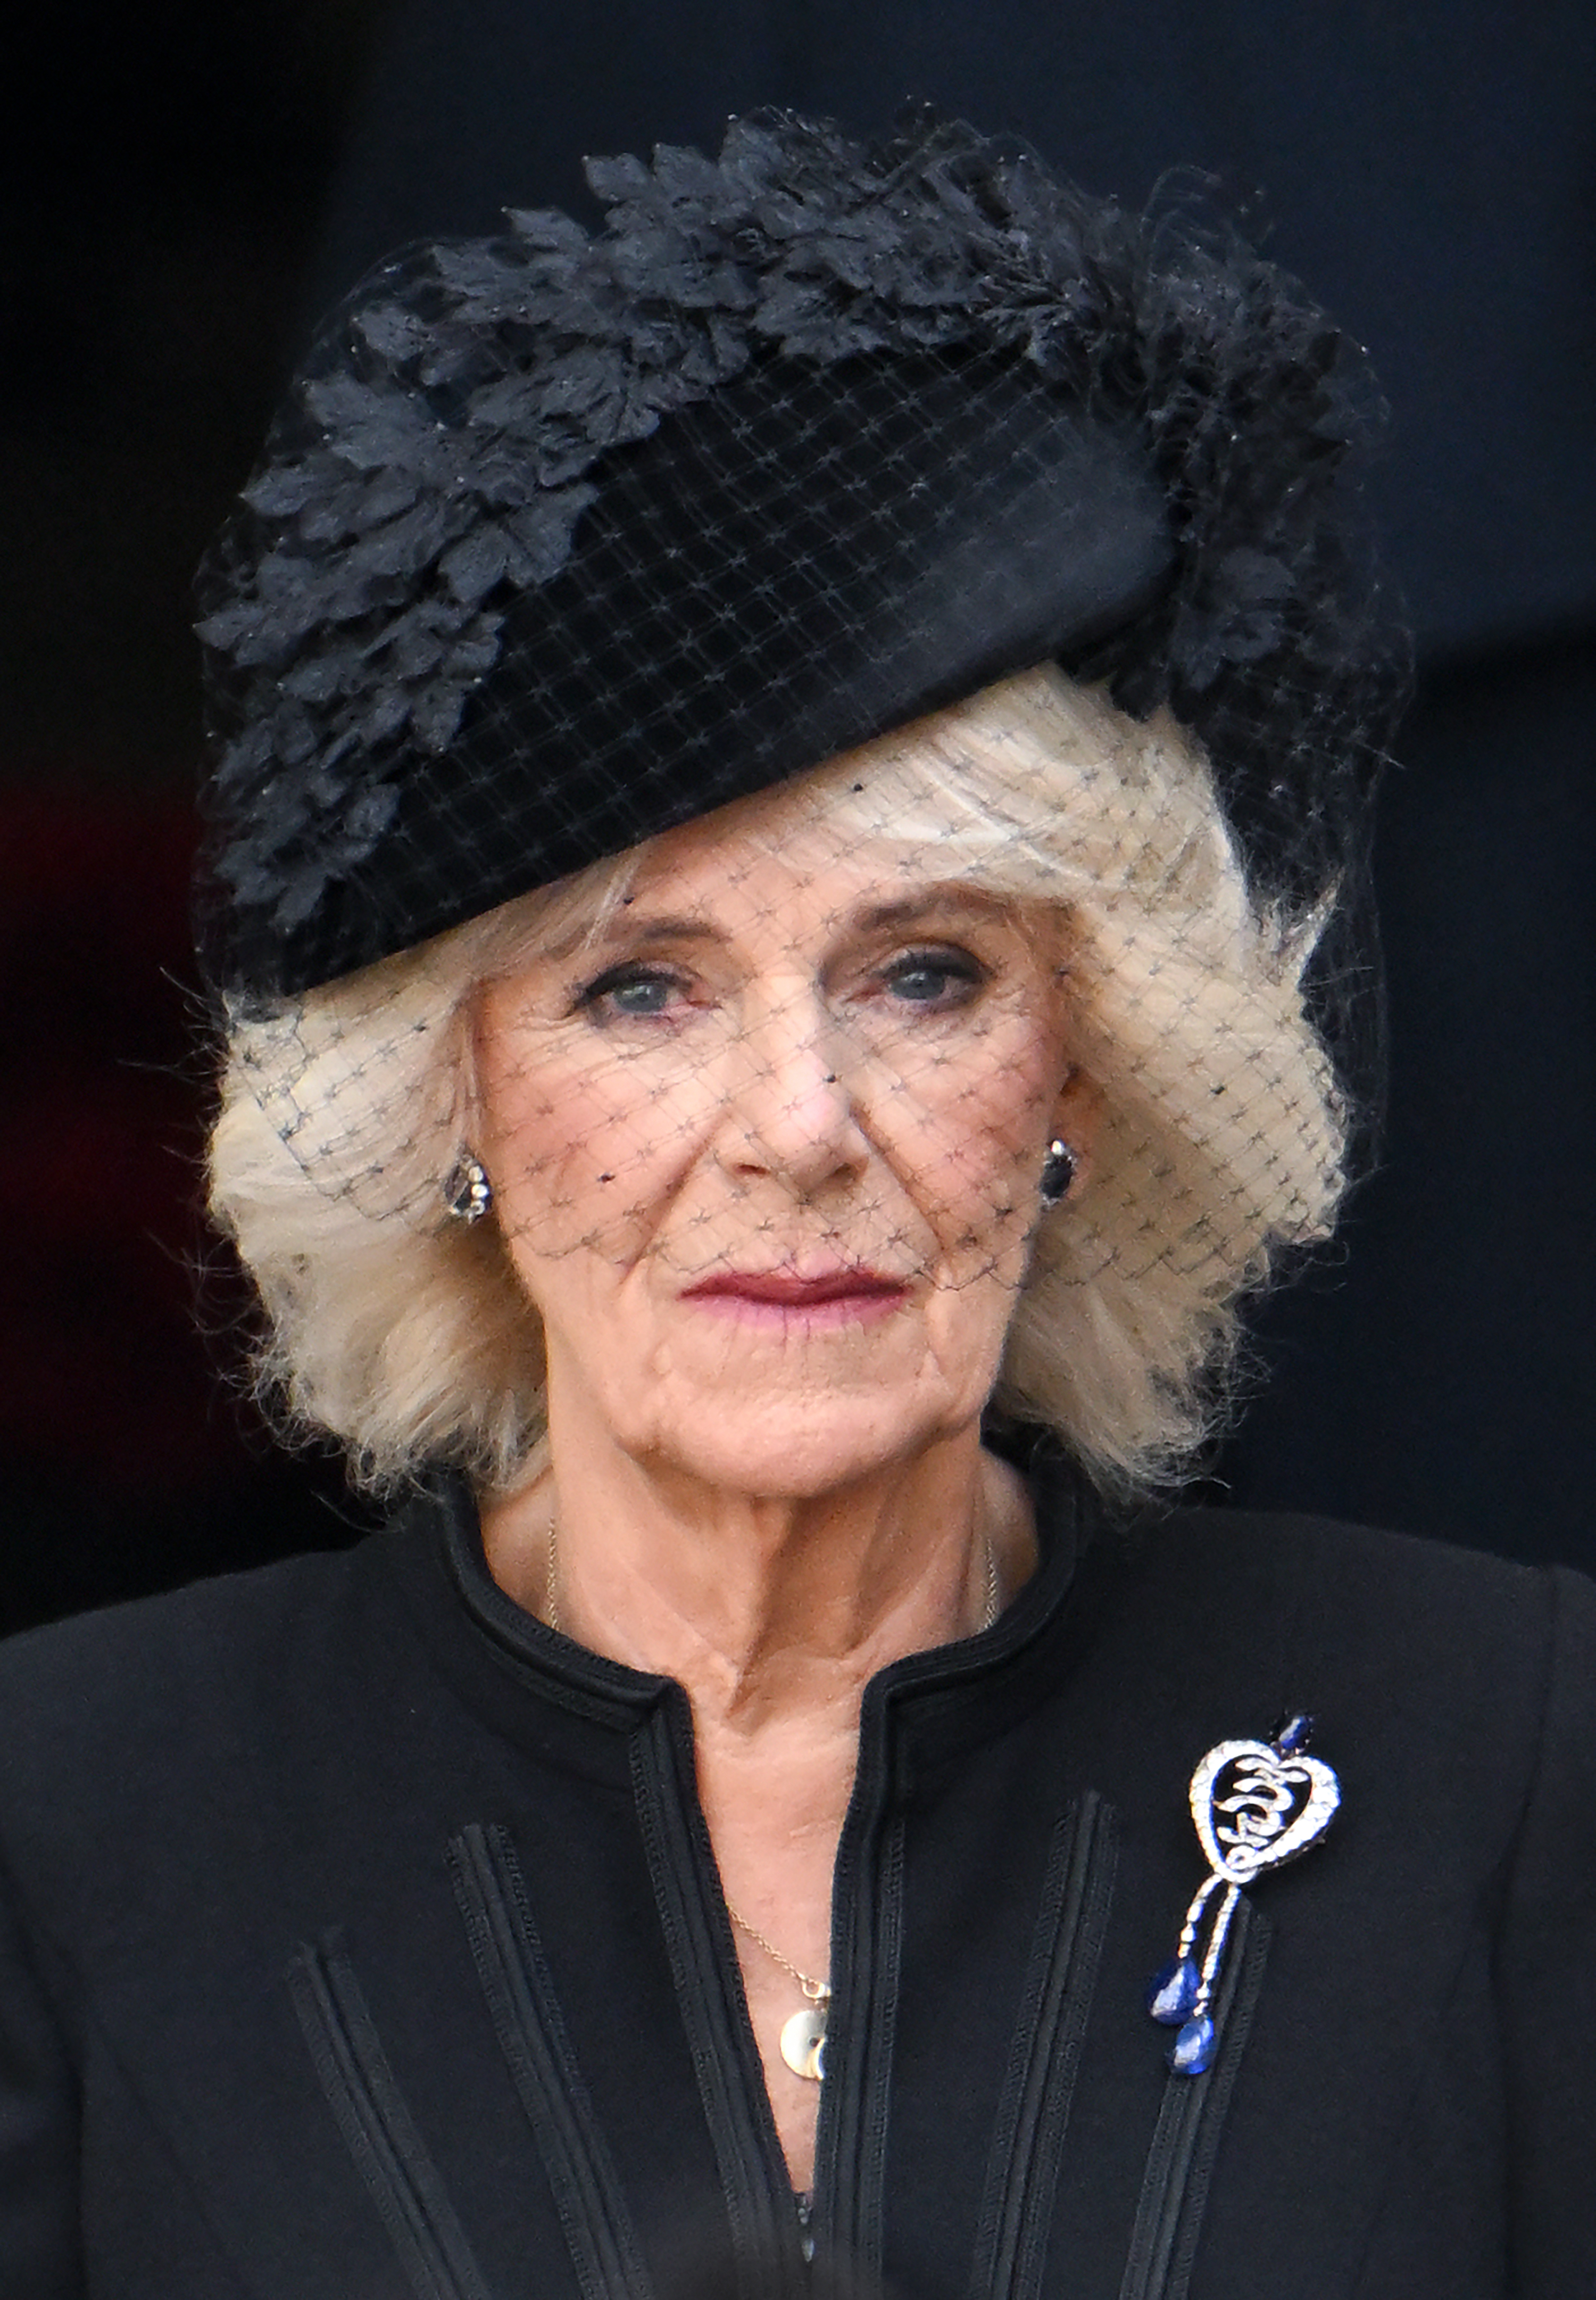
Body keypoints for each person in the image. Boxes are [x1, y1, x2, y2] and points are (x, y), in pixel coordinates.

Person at [1, 111, 1591, 2299]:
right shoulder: (71, 1816)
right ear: (444, 1096)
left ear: (1085, 1078)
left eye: (922, 975)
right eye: (639, 989)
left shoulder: (1496, 1742)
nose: (797, 1124)